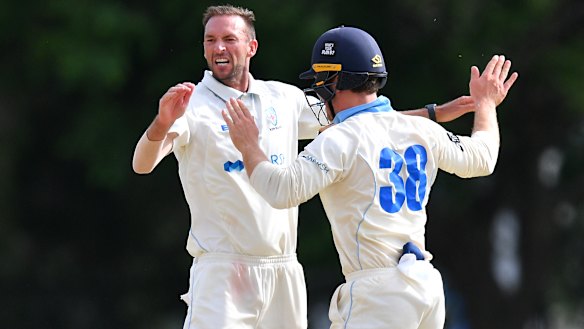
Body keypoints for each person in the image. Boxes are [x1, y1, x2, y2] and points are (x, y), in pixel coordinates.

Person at [132, 5, 479, 329]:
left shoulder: (283, 98)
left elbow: (360, 121)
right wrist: (162, 124)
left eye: (228, 39)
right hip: (223, 269)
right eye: (211, 40)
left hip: (283, 268)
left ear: (251, 46)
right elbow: (142, 164)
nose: (218, 48)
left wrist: (432, 114)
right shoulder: (192, 105)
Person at [222, 26, 518, 329]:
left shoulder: (339, 139)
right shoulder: (420, 129)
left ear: (337, 79)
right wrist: (485, 105)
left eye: (322, 78)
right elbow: (483, 158)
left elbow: (280, 190)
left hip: (378, 293)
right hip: (426, 286)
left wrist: (249, 146)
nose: (319, 89)